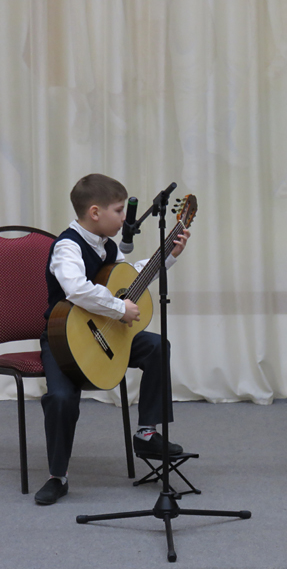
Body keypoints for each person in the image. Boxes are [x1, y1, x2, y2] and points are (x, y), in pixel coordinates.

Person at [35, 173, 190, 505]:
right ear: (95, 212)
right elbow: (76, 288)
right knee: (60, 398)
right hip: (64, 339)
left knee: (157, 347)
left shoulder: (107, 247)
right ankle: (57, 476)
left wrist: (169, 254)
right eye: (119, 211)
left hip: (104, 332)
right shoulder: (67, 246)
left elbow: (129, 278)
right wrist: (119, 308)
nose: (124, 218)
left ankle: (146, 433)